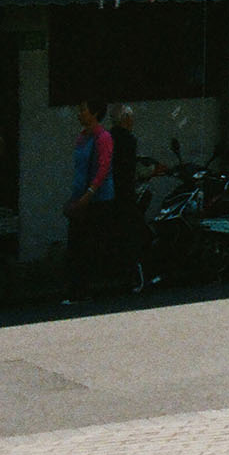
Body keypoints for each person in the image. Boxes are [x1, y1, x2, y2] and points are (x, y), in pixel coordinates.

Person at [62, 100, 113, 303]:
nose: (79, 114)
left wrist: (86, 197)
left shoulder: (103, 138)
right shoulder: (81, 138)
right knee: (76, 246)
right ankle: (77, 288)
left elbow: (102, 169)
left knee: (83, 246)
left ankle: (82, 289)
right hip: (80, 198)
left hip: (95, 200)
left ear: (95, 113)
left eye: (83, 110)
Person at [107, 104, 149, 293]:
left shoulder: (107, 138)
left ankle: (117, 272)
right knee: (132, 234)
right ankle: (134, 275)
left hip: (108, 193)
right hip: (124, 193)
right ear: (125, 120)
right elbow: (129, 168)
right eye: (130, 118)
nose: (132, 122)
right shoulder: (128, 140)